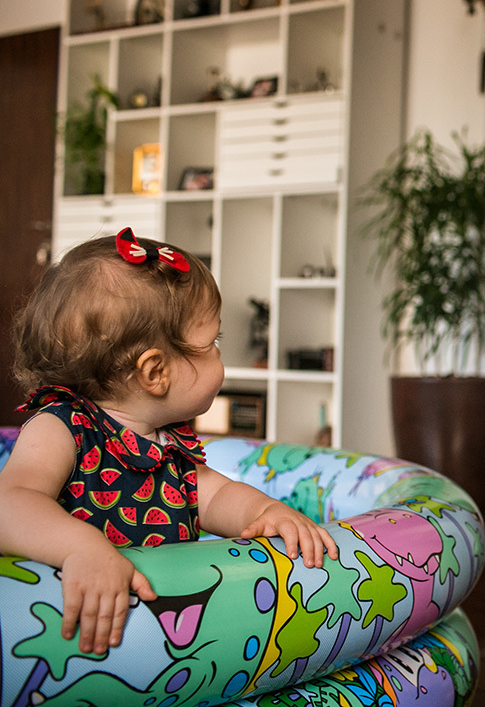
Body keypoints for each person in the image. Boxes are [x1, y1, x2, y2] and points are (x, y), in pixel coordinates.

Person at [0, 228, 338, 655]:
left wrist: (269, 512)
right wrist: (81, 549)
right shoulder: (62, 426)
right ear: (155, 373)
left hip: (166, 647)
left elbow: (217, 498)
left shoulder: (169, 447)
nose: (220, 356)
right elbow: (9, 504)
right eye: (211, 343)